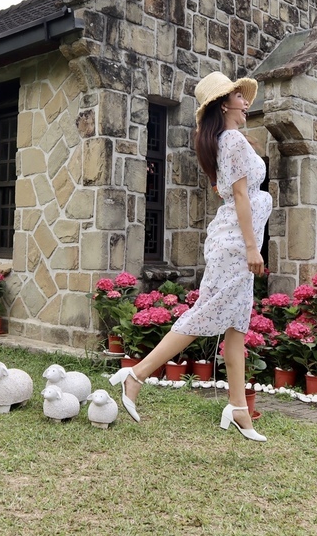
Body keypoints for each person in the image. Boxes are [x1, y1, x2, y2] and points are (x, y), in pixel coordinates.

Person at [109, 71, 272, 442]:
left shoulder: (227, 141)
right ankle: (136, 375)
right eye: (239, 98)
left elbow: (226, 192)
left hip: (234, 239)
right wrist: (252, 248)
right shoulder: (230, 140)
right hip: (235, 245)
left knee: (236, 328)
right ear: (223, 104)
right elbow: (241, 197)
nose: (246, 103)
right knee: (205, 316)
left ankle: (238, 408)